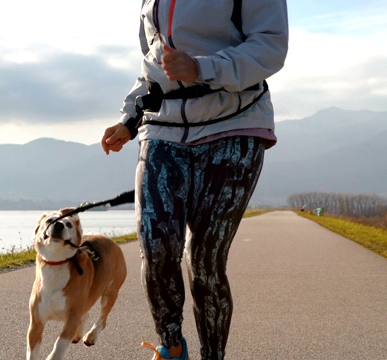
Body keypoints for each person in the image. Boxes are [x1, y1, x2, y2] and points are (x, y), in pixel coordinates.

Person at [100, 0, 288, 359]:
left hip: (234, 123)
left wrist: (202, 68)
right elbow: (155, 65)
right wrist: (129, 118)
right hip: (163, 128)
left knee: (204, 260)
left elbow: (271, 46)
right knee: (156, 248)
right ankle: (171, 348)